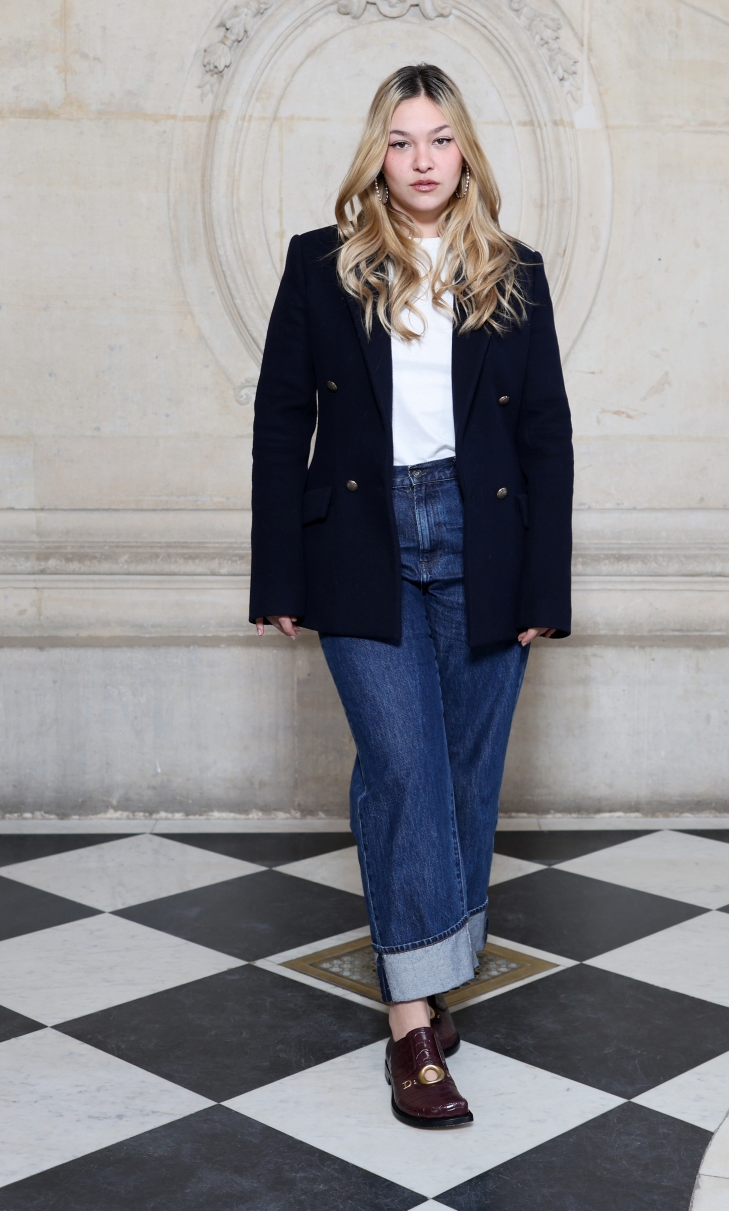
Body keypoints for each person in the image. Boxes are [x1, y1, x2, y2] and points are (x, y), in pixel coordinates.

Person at [250, 62, 572, 1128]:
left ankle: (432, 974)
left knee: (468, 772)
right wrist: (277, 573)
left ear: (464, 149)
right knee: (402, 766)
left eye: (439, 139)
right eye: (401, 141)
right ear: (375, 153)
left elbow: (545, 439)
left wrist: (543, 583)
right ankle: (411, 1027)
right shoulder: (321, 266)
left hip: (485, 540)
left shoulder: (512, 270)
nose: (421, 160)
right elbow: (278, 420)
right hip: (361, 535)